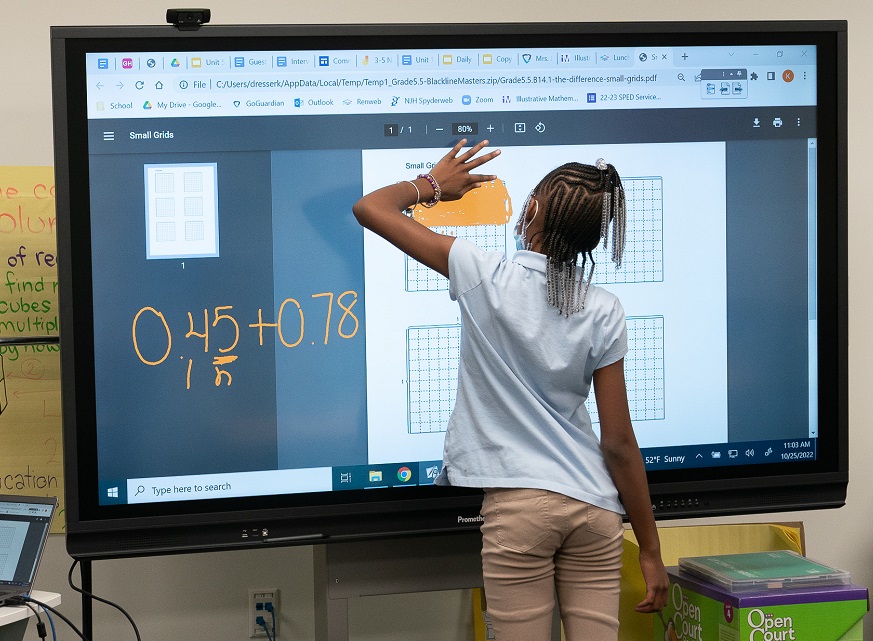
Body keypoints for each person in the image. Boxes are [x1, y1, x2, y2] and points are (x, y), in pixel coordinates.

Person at [352, 139, 668, 641]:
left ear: (533, 210)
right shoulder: (605, 310)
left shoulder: (484, 274)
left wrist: (433, 184)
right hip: (596, 510)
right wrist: (650, 551)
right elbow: (619, 445)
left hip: (520, 510)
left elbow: (370, 207)